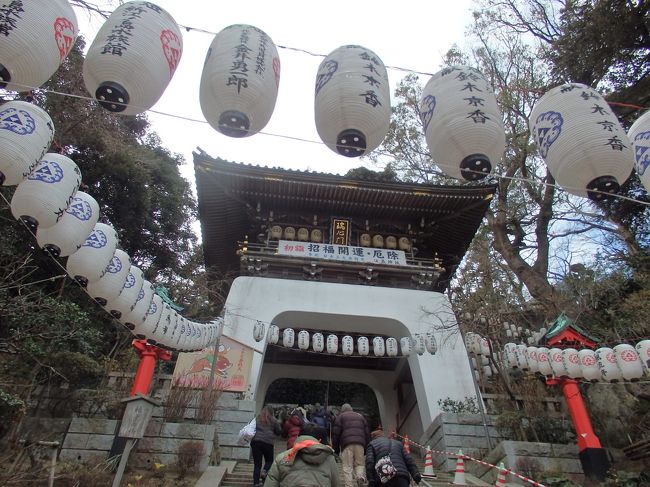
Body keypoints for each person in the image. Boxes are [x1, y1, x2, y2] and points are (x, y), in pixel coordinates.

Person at [264, 430, 341, 486]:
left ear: (298, 437)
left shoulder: (282, 458)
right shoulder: (329, 459)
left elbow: (270, 483)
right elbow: (336, 484)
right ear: (319, 441)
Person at [331, 403, 370, 487]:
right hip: (360, 443)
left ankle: (349, 485)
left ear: (342, 410)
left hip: (347, 444)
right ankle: (360, 477)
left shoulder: (340, 417)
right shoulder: (360, 416)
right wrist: (366, 447)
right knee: (359, 464)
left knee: (347, 467)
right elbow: (367, 433)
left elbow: (336, 434)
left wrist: (336, 450)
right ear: (351, 409)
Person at [250, 405, 282, 487]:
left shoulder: (257, 418)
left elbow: (251, 427)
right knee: (269, 461)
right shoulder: (274, 420)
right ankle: (264, 471)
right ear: (272, 412)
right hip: (268, 443)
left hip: (256, 442)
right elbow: (279, 431)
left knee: (257, 464)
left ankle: (256, 484)